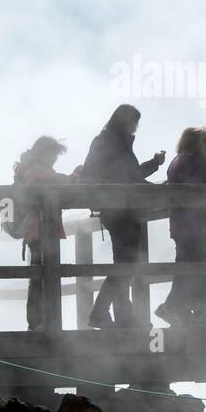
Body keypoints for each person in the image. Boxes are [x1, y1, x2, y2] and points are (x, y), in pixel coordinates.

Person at [80, 104, 165, 328]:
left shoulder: (106, 142)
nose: (136, 127)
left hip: (119, 209)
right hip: (121, 211)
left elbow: (125, 176)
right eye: (134, 122)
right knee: (126, 265)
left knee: (124, 265)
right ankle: (100, 313)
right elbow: (129, 175)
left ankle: (122, 317)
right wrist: (154, 165)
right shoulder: (113, 144)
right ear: (126, 121)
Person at [155, 126, 206, 327]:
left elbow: (200, 176)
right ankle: (190, 313)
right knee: (199, 271)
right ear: (198, 144)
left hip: (180, 225)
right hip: (197, 225)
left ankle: (182, 312)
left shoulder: (176, 161)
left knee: (185, 269)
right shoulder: (197, 162)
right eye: (205, 143)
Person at [11, 137, 77, 330]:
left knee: (39, 276)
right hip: (38, 230)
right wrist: (70, 179)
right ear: (45, 153)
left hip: (38, 231)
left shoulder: (30, 168)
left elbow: (51, 180)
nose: (55, 159)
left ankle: (40, 322)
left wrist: (68, 178)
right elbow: (47, 180)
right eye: (53, 154)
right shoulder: (35, 170)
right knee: (42, 276)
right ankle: (41, 323)